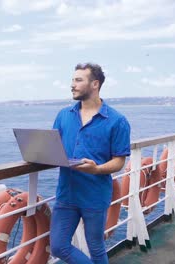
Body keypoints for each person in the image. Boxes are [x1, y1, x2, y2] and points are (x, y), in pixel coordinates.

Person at [50, 63, 131, 264]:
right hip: (66, 194)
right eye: (73, 80)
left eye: (78, 80)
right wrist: (38, 154)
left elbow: (119, 161)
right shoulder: (63, 115)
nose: (72, 85)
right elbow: (53, 148)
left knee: (96, 247)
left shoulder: (117, 120)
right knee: (58, 246)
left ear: (95, 84)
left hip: (95, 195)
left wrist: (97, 169)